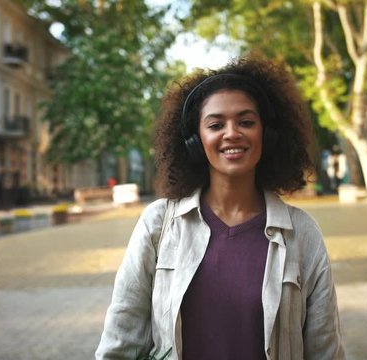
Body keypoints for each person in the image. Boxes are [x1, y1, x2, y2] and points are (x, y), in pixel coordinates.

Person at [95, 55, 345, 359]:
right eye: (216, 124)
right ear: (195, 141)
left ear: (267, 134)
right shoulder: (159, 225)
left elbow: (325, 352)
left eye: (246, 122)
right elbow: (120, 343)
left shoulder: (302, 234)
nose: (232, 133)